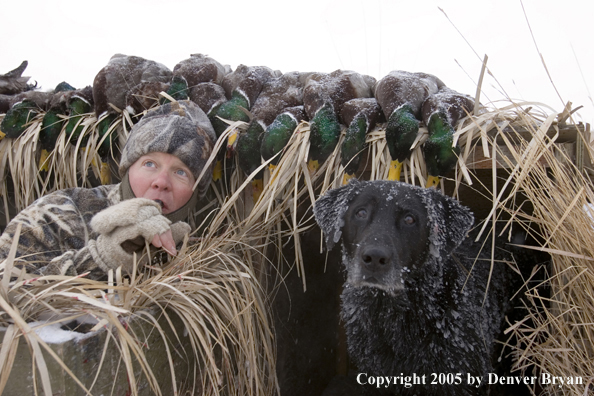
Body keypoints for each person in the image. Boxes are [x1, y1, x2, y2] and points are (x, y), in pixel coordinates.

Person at [0, 100, 216, 280]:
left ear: (196, 190)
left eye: (181, 173)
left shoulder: (205, 247)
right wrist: (102, 258)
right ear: (127, 168)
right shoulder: (59, 214)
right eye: (150, 164)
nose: (161, 181)